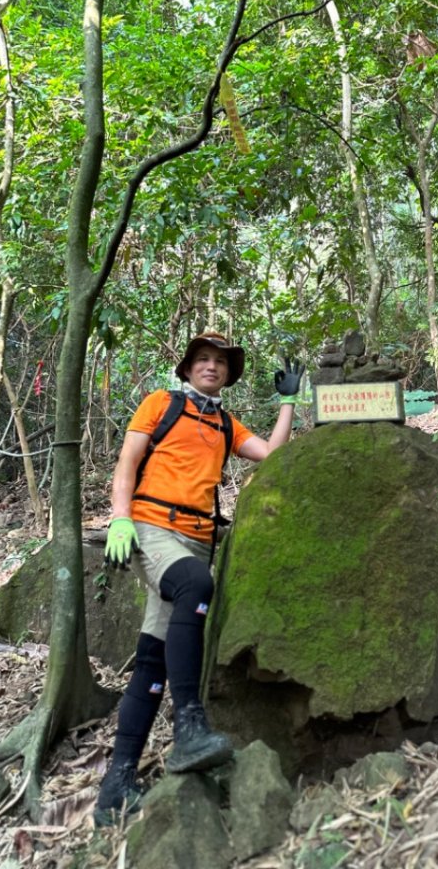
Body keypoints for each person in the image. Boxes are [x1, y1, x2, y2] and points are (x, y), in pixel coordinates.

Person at [95, 332, 303, 825]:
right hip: (150, 528)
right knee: (196, 586)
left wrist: (289, 401)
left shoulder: (224, 423)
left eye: (220, 362)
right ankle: (189, 727)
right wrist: (120, 517)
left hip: (196, 539)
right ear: (188, 368)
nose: (211, 367)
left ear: (228, 375)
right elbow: (127, 463)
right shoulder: (160, 403)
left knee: (151, 661)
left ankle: (116, 784)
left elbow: (272, 453)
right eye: (203, 360)